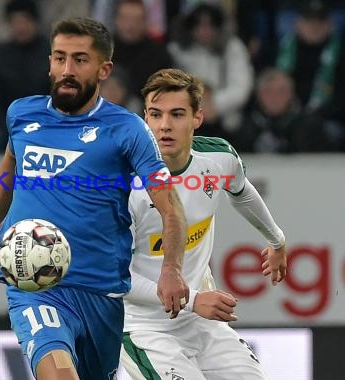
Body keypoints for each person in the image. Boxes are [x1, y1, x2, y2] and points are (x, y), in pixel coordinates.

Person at [0, 18, 189, 380]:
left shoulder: (127, 130)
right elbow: (9, 168)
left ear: (103, 69)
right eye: (59, 58)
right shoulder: (22, 114)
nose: (67, 70)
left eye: (80, 60)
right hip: (35, 284)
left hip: (101, 291)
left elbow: (171, 206)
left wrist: (171, 270)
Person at [121, 68, 287, 380]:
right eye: (155, 115)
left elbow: (241, 191)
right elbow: (115, 279)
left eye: (177, 114)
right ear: (145, 117)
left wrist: (276, 240)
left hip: (203, 324)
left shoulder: (219, 158)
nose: (165, 126)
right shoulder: (125, 187)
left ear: (198, 117)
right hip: (144, 329)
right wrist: (194, 300)